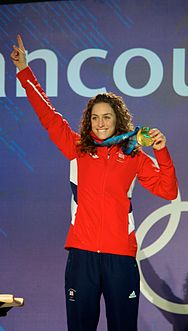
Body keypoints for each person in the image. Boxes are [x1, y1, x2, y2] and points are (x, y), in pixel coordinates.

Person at [10, 35, 178, 331]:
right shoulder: (77, 148)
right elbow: (48, 115)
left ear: (118, 121)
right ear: (88, 121)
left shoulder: (134, 155)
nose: (100, 123)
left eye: (107, 117)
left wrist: (161, 151)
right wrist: (24, 71)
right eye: (95, 118)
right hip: (82, 257)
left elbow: (168, 189)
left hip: (120, 259)